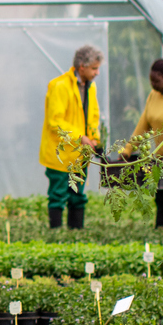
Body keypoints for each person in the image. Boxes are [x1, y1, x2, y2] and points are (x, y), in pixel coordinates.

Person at [120, 57, 163, 229]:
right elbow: (143, 124)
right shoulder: (153, 95)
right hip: (159, 156)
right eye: (151, 80)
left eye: (156, 81)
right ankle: (161, 229)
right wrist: (128, 149)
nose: (153, 85)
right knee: (162, 194)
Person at [40, 43, 103, 229]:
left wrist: (94, 139)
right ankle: (56, 234)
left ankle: (76, 233)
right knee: (58, 195)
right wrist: (80, 137)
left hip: (79, 154)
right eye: (94, 68)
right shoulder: (59, 86)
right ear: (81, 67)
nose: (97, 72)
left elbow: (93, 116)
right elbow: (55, 122)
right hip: (59, 155)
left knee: (78, 196)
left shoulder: (91, 87)